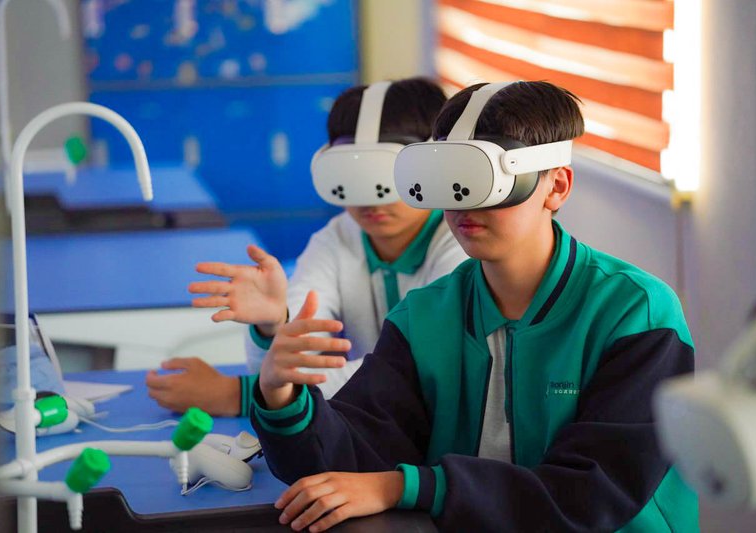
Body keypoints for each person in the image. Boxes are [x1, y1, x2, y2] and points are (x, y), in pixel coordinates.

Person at [249, 81, 698, 532]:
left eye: (488, 182)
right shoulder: (423, 318)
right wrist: (281, 396)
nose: (464, 203)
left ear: (556, 187)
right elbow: (352, 456)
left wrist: (410, 486)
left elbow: (593, 492)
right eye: (448, 181)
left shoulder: (634, 314)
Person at [145, 78, 467, 416]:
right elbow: (284, 368)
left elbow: (420, 372)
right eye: (351, 175)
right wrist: (274, 325)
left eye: (389, 175)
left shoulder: (461, 245)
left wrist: (238, 395)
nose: (371, 196)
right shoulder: (336, 238)